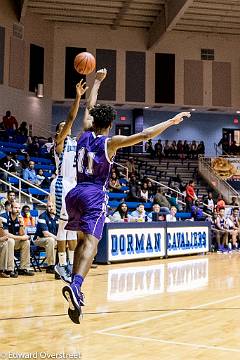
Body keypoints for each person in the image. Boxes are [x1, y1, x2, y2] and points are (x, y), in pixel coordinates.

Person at [62, 102, 190, 323]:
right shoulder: (110, 142)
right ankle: (76, 285)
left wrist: (96, 84)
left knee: (81, 244)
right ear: (111, 124)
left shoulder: (83, 134)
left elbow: (87, 111)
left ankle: (76, 292)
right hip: (93, 194)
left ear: (93, 122)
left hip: (74, 193)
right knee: (91, 246)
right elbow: (145, 135)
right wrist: (171, 121)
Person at [53, 71, 107, 283]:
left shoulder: (79, 143)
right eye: (60, 130)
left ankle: (69, 264)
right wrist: (77, 97)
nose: (64, 130)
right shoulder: (60, 145)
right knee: (62, 228)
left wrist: (95, 85)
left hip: (77, 187)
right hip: (61, 185)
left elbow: (90, 113)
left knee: (77, 232)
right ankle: (61, 264)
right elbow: (71, 119)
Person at [0, 202, 34, 276]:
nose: (17, 210)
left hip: (13, 240)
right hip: (3, 240)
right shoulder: (4, 216)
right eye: (15, 208)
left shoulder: (19, 218)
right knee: (11, 241)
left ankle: (23, 268)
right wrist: (21, 237)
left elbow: (21, 233)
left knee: (26, 242)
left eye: (19, 208)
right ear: (10, 209)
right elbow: (6, 234)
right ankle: (10, 269)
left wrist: (21, 224)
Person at [33, 201, 58, 274]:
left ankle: (64, 264)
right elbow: (45, 233)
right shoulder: (42, 216)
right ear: (46, 207)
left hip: (53, 239)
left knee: (64, 241)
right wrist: (57, 238)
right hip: (39, 239)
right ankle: (50, 266)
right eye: (49, 206)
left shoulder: (57, 217)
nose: (51, 208)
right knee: (51, 240)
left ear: (55, 207)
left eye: (52, 206)